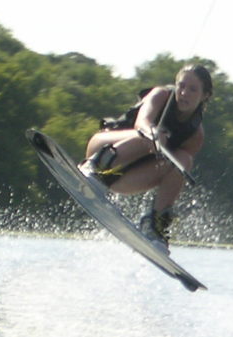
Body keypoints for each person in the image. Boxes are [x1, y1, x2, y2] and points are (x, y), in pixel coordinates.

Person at [79, 64, 213, 254]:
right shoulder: (161, 95)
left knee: (184, 161)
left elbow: (171, 177)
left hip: (123, 178)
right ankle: (92, 169)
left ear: (205, 95)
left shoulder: (195, 135)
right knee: (149, 135)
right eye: (181, 86)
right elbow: (142, 123)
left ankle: (154, 227)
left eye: (193, 89)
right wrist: (154, 134)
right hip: (103, 147)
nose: (184, 93)